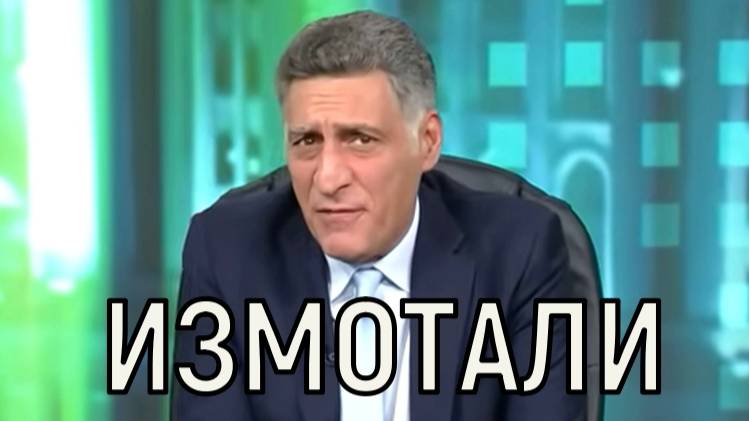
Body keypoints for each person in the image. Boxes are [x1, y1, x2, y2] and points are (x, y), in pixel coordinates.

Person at [171, 10, 585, 421]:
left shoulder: (518, 253)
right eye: (307, 141)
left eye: (360, 139)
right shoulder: (227, 251)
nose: (328, 178)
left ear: (427, 141)